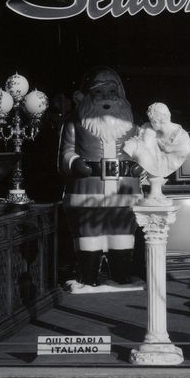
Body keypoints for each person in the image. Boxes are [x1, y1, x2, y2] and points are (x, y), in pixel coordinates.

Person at [57, 65, 141, 286]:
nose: (106, 98)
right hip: (88, 188)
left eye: (111, 93)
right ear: (88, 95)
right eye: (99, 92)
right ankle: (89, 276)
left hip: (125, 189)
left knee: (122, 230)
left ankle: (121, 275)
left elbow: (144, 149)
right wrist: (74, 162)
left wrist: (141, 164)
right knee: (88, 232)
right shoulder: (75, 121)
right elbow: (66, 151)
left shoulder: (132, 122)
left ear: (120, 94)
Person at [122, 102, 190, 198]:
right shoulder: (148, 130)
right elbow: (136, 147)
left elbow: (187, 151)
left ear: (156, 121)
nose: (150, 123)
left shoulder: (184, 142)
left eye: (151, 120)